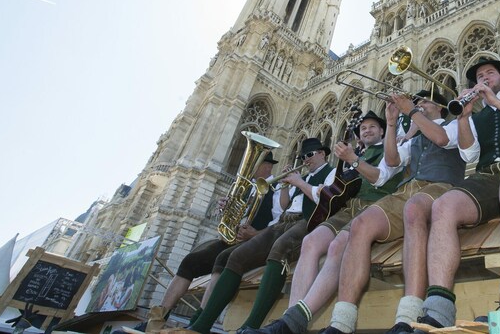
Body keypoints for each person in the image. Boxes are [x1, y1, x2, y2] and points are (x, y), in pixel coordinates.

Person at [412, 58, 500, 332]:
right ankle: (437, 310)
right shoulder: (476, 116)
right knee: (443, 206)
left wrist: (496, 102)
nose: (485, 77)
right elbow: (469, 154)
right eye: (479, 75)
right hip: (488, 173)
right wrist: (464, 117)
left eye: (490, 73)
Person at [310, 90, 467, 334]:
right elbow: (391, 163)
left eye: (424, 101)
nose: (419, 105)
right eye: (418, 102)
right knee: (360, 224)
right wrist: (392, 123)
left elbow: (443, 139)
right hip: (408, 191)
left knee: (414, 209)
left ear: (441, 107)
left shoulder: (455, 123)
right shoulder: (412, 139)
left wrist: (411, 112)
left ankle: (408, 316)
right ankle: (341, 322)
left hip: (441, 187)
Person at [235, 111, 402, 332]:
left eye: (372, 126)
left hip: (374, 209)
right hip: (347, 210)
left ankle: (295, 321)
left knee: (336, 247)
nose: (367, 130)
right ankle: (288, 321)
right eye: (363, 128)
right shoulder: (354, 156)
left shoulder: (392, 149)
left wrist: (352, 159)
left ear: (383, 130)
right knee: (311, 241)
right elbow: (337, 191)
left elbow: (379, 177)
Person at [176, 138, 336, 334]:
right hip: (284, 222)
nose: (306, 159)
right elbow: (284, 205)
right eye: (303, 156)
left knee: (280, 249)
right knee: (235, 256)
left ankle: (250, 326)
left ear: (322, 154)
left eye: (309, 155)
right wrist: (287, 185)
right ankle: (201, 325)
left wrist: (299, 182)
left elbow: (326, 199)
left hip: (309, 221)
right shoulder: (305, 176)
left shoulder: (332, 172)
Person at [121, 152, 283, 334]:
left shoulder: (277, 189)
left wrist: (254, 234)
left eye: (255, 163)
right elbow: (233, 218)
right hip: (231, 240)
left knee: (221, 261)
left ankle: (198, 323)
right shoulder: (246, 188)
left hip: (253, 243)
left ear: (267, 166)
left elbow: (278, 224)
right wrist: (227, 210)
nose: (250, 168)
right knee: (190, 261)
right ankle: (157, 319)